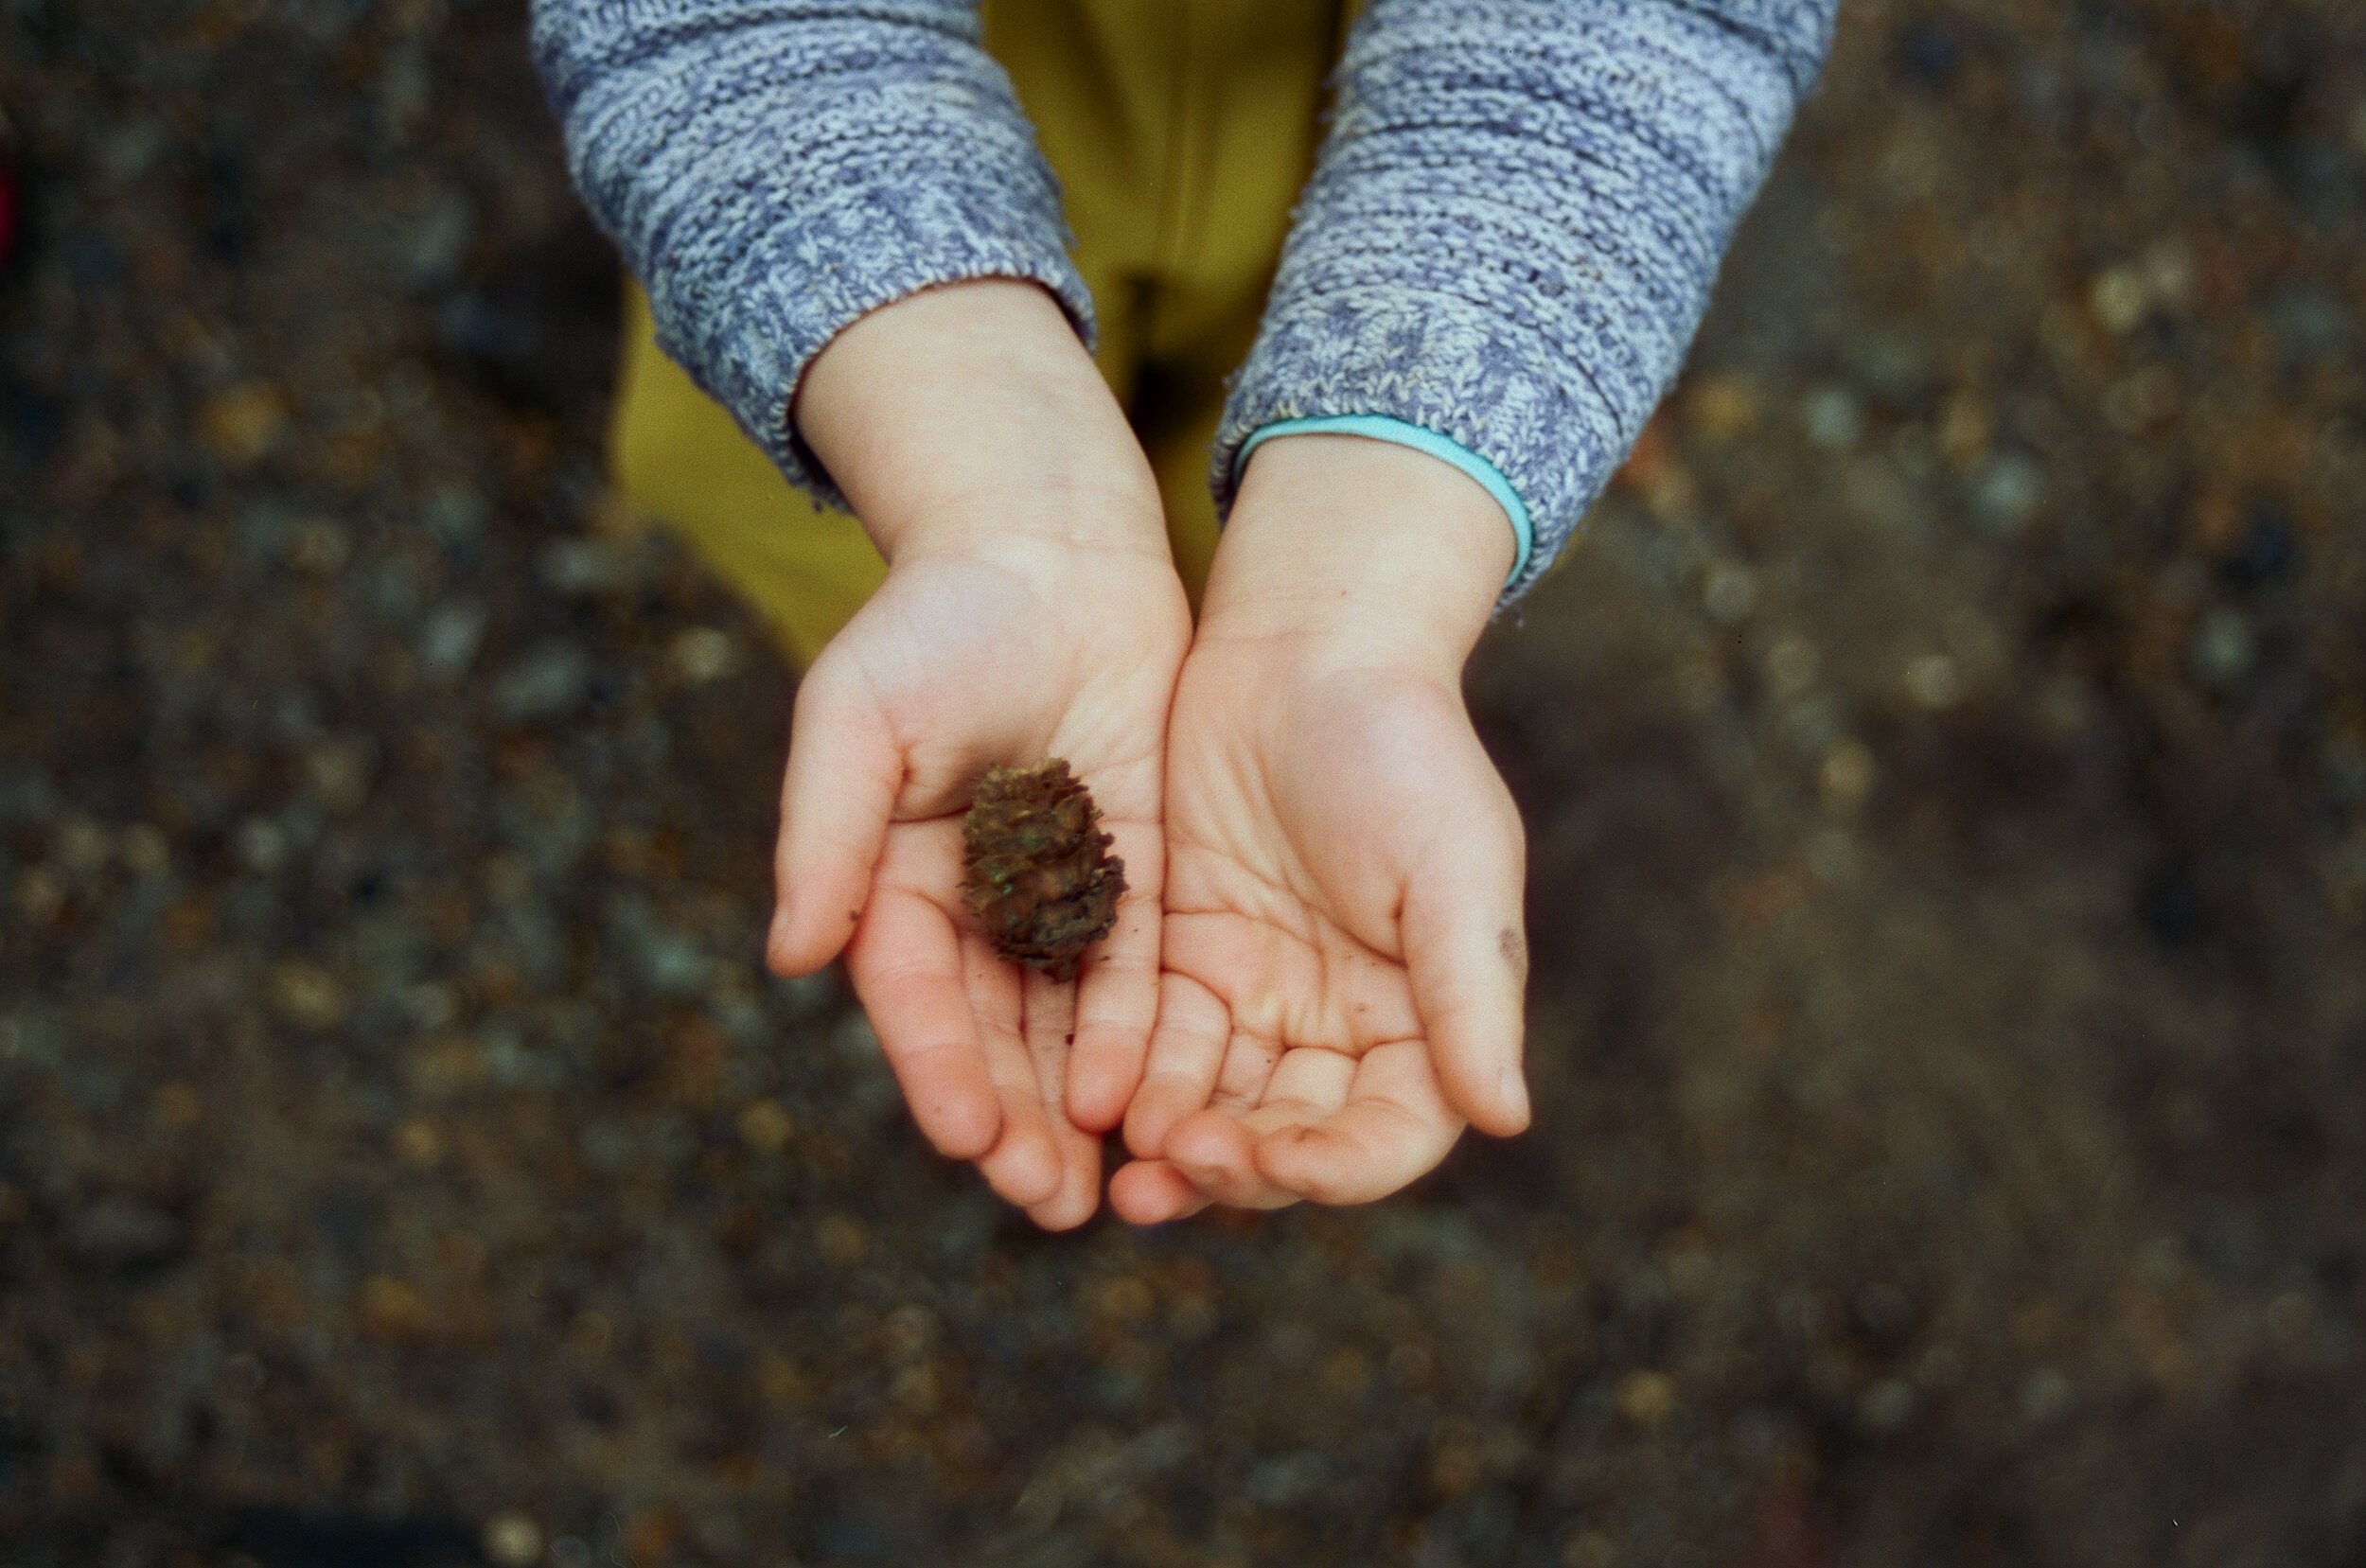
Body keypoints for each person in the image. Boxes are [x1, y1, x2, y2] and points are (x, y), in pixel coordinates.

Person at [531, 0, 1837, 1227]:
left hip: (1375, 152)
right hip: (889, 144)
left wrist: (1361, 588)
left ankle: (1214, 619)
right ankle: (903, 521)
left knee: (1252, 513)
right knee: (813, 509)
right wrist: (958, 463)